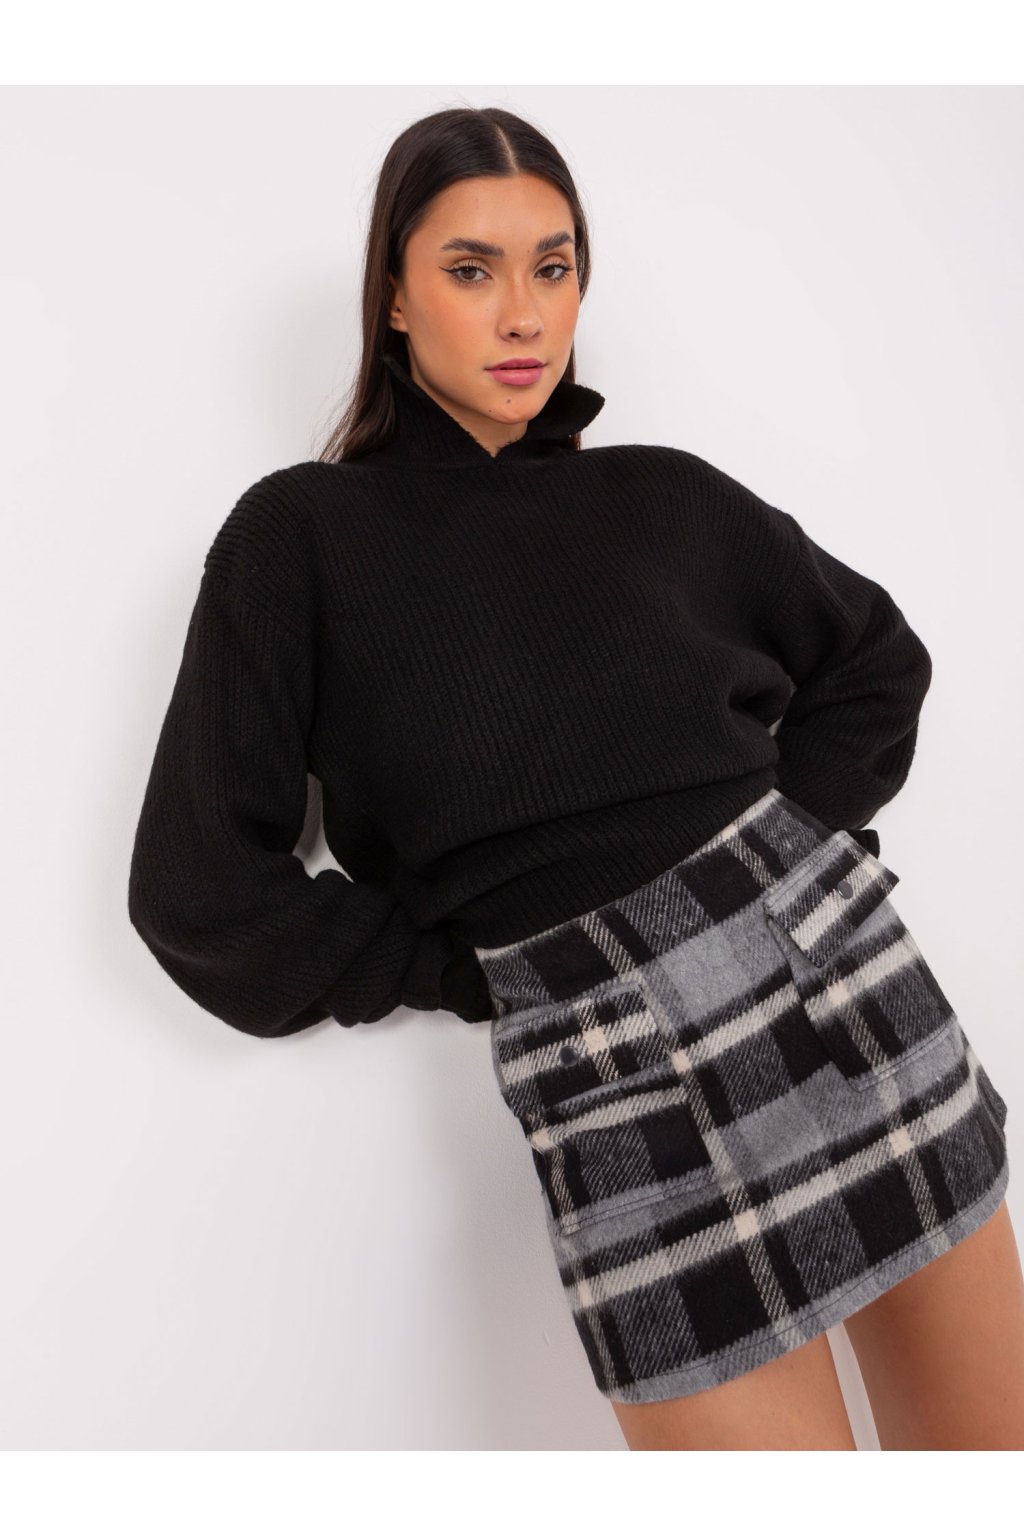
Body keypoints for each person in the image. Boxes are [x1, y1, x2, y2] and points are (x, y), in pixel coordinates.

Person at [127, 104, 1024, 1450]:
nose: (522, 314)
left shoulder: (664, 496)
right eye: (471, 269)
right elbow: (197, 888)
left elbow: (875, 661)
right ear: (393, 294)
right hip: (608, 1076)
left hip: (843, 995)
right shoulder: (299, 539)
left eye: (553, 267)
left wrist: (787, 857)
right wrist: (466, 973)